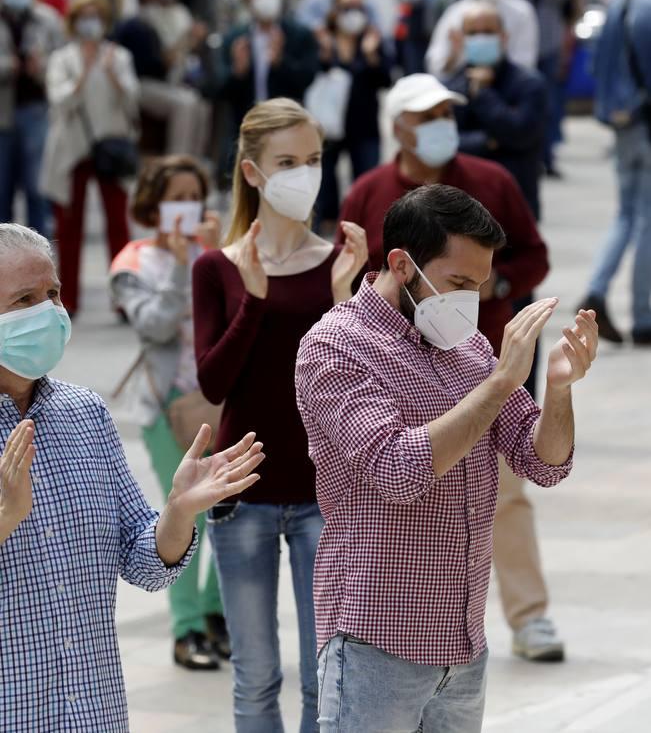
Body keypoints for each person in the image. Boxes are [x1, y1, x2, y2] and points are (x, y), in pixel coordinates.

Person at [296, 184, 599, 732]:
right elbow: (398, 470)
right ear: (402, 264)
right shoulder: (335, 345)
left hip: (463, 648)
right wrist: (504, 380)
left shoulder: (471, 348)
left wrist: (558, 388)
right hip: (375, 644)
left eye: (480, 286)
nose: (471, 302)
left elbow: (544, 463)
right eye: (459, 283)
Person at [0, 222, 265, 733]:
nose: (48, 312)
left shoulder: (85, 414)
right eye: (24, 299)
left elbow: (143, 561)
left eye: (52, 293)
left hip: (94, 712)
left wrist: (179, 511)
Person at [337, 73, 566, 662]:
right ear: (398, 127)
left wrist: (490, 296)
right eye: (427, 115)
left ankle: (529, 615)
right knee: (414, 501)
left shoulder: (490, 180)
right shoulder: (369, 190)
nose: (442, 124)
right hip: (399, 376)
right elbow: (358, 277)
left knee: (506, 493)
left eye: (447, 112)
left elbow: (533, 253)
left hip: (487, 366)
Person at [192, 98, 368, 732]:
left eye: (314, 159)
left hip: (324, 491)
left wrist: (347, 299)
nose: (305, 173)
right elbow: (215, 380)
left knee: (326, 676)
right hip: (243, 493)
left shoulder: (340, 262)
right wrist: (254, 303)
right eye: (287, 161)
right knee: (256, 675)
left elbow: (356, 381)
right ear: (252, 172)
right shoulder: (218, 266)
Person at [110, 156, 230, 669]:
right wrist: (185, 263)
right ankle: (185, 630)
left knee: (226, 514)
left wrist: (219, 253)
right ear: (153, 204)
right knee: (181, 513)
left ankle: (215, 614)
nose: (185, 207)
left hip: (217, 401)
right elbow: (154, 326)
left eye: (193, 196)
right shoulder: (132, 262)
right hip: (164, 407)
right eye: (174, 197)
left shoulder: (216, 252)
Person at [40, 0, 138, 317]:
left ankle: (124, 299)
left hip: (109, 149)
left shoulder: (119, 56)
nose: (90, 23)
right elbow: (60, 101)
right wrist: (83, 73)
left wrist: (111, 74)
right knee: (68, 229)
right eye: (84, 16)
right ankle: (67, 300)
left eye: (96, 15)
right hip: (71, 150)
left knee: (118, 226)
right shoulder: (62, 58)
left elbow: (132, 103)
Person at [576, 0, 651, 345]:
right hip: (646, 120)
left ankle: (597, 290)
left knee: (627, 214)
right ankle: (643, 317)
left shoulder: (619, 2)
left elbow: (594, 63)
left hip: (622, 121)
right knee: (647, 219)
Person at [444, 2, 547, 220]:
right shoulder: (451, 86)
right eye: (473, 33)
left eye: (488, 32)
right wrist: (488, 142)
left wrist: (482, 93)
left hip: (515, 202)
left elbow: (522, 133)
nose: (481, 38)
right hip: (463, 207)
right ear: (462, 38)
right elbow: (447, 143)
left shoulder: (528, 83)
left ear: (503, 37)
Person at [215, 0, 318, 171]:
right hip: (246, 126)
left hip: (288, 125)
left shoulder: (299, 34)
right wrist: (238, 71)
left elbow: (307, 78)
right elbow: (218, 88)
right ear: (246, 0)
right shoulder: (235, 39)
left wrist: (281, 62)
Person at [314, 0, 392, 225]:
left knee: (368, 182)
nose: (353, 13)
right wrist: (325, 56)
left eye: (358, 7)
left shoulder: (372, 39)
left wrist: (371, 56)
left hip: (364, 124)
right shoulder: (323, 39)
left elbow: (386, 80)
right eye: (347, 8)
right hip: (328, 126)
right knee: (323, 183)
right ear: (335, 11)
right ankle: (327, 227)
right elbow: (308, 76)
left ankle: (364, 227)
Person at [0, 0, 64, 236]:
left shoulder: (48, 19)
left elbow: (63, 61)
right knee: (2, 189)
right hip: (2, 113)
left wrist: (42, 66)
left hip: (36, 110)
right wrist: (8, 66)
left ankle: (40, 253)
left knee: (37, 188)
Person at [507, 0, 575, 177]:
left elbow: (567, 0)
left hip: (548, 49)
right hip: (521, 49)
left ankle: (548, 156)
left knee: (550, 105)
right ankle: (528, 156)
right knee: (523, 104)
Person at [113, 0, 205, 155]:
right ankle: (177, 159)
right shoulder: (130, 26)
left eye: (157, 1)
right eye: (148, 1)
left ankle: (194, 158)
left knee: (198, 103)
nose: (153, 6)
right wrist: (184, 42)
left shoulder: (156, 27)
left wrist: (188, 41)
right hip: (135, 85)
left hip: (158, 85)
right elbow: (157, 64)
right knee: (185, 104)